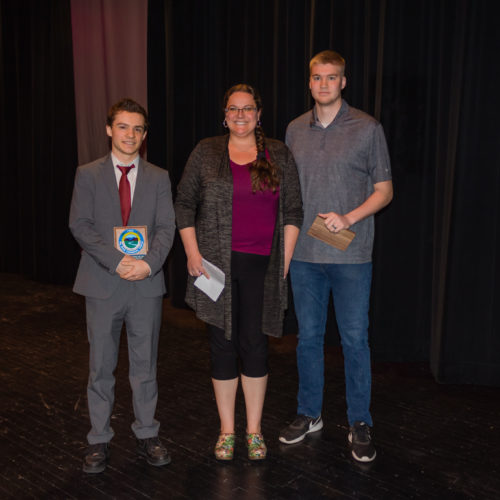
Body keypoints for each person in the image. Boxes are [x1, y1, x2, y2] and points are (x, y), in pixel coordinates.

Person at [175, 84, 303, 461]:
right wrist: (192, 253)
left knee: (255, 346)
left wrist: (284, 262)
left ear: (258, 114)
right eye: (234, 109)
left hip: (263, 267)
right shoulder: (206, 151)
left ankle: (254, 430)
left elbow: (294, 210)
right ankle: (227, 431)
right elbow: (184, 203)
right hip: (215, 267)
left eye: (248, 109)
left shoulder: (277, 152)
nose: (241, 115)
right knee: (222, 347)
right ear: (225, 115)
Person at [279, 50, 393, 463]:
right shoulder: (294, 130)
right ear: (309, 82)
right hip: (306, 256)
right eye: (317, 77)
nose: (324, 84)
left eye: (332, 77)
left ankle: (360, 421)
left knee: (354, 340)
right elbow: (288, 197)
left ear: (344, 82)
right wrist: (286, 250)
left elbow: (385, 191)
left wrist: (349, 217)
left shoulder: (367, 128)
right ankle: (310, 414)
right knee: (307, 339)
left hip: (352, 256)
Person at [69, 98, 176, 473]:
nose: (130, 135)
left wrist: (148, 265)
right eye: (123, 126)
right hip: (102, 283)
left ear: (144, 135)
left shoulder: (159, 177)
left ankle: (147, 432)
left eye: (138, 128)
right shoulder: (88, 174)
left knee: (145, 366)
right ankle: (98, 438)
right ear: (109, 130)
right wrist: (118, 262)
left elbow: (166, 227)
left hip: (145, 286)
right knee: (101, 366)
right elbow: (80, 225)